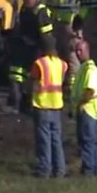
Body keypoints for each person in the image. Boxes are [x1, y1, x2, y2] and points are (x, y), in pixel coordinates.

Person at [7, 0, 54, 114]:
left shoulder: (41, 12)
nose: (26, 0)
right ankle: (18, 103)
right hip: (24, 47)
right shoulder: (24, 9)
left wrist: (48, 53)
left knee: (33, 78)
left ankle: (30, 105)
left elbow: (46, 35)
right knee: (16, 75)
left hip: (36, 49)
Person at [30, 36, 67, 179]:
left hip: (42, 105)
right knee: (56, 139)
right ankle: (60, 169)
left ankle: (44, 170)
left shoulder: (39, 63)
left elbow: (34, 82)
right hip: (56, 105)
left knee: (44, 139)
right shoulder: (61, 64)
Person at [44, 0, 81, 92]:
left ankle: (72, 84)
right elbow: (48, 0)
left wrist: (77, 26)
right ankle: (59, 82)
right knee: (57, 52)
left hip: (70, 23)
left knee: (71, 53)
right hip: (55, 23)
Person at [70, 40, 97, 176]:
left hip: (88, 110)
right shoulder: (83, 68)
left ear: (87, 51)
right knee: (91, 141)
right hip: (86, 109)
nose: (78, 53)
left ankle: (89, 170)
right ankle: (95, 169)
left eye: (81, 50)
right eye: (76, 51)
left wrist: (79, 105)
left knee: (87, 141)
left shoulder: (90, 69)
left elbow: (89, 91)